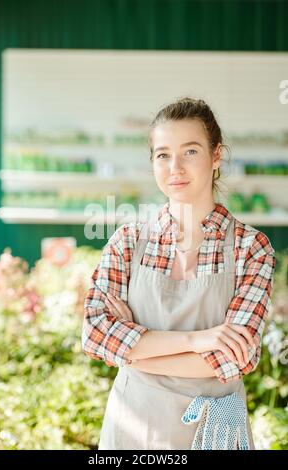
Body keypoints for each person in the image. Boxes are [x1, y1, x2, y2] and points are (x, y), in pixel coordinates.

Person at [81, 97, 276, 450]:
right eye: (162, 154)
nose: (175, 167)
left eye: (190, 152)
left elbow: (234, 358)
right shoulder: (128, 240)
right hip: (131, 430)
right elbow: (95, 335)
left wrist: (133, 349)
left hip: (213, 431)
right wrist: (197, 340)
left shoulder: (251, 248)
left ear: (216, 156)